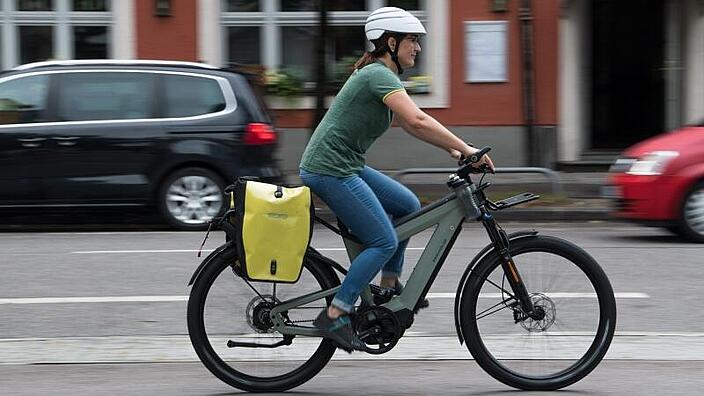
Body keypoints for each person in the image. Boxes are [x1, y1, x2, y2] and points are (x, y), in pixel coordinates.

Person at [299, 7, 495, 352]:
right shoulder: (377, 74)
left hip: (346, 164)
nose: (418, 48)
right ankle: (335, 313)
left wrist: (454, 152)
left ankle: (388, 288)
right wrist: (467, 148)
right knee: (383, 241)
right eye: (412, 41)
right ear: (391, 42)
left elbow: (410, 123)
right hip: (329, 168)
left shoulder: (382, 74)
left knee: (407, 205)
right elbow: (417, 120)